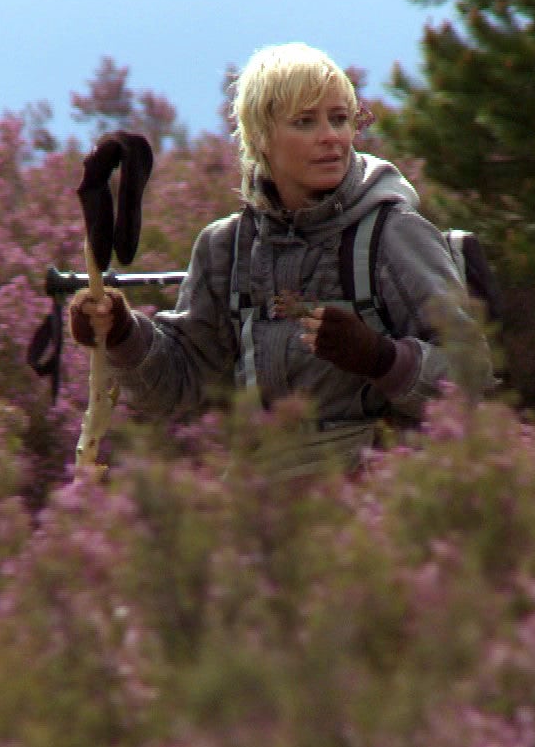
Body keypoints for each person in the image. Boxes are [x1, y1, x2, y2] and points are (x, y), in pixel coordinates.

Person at [68, 42, 491, 476]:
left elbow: (470, 376)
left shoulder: (394, 233)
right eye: (305, 122)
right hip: (262, 507)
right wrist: (121, 333)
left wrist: (379, 357)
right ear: (261, 138)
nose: (331, 136)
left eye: (340, 118)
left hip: (378, 505)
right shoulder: (225, 247)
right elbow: (182, 384)